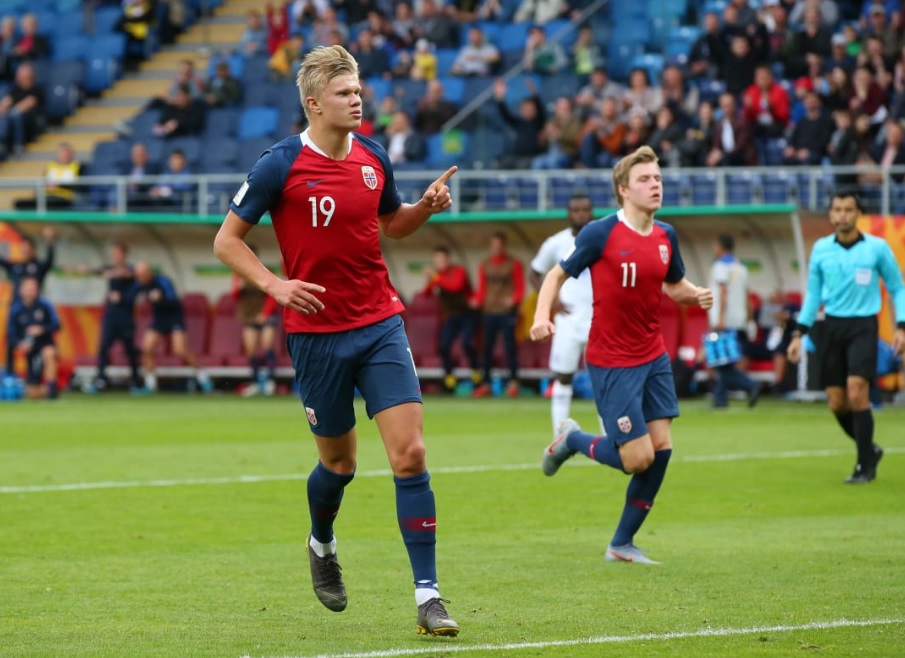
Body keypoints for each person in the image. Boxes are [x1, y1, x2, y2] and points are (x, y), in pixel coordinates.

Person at [212, 45, 460, 636]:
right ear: (314, 103)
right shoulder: (279, 165)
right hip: (317, 336)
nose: (358, 100)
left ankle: (428, 595)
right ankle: (321, 541)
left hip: (379, 322)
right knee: (341, 465)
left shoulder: (374, 156)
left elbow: (391, 224)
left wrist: (423, 208)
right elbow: (227, 241)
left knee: (412, 454)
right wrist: (275, 285)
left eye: (359, 91)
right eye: (346, 94)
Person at [530, 146, 713, 565]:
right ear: (623, 190)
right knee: (637, 458)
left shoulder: (666, 235)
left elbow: (673, 284)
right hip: (612, 360)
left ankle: (621, 544)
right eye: (646, 180)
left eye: (658, 179)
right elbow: (556, 274)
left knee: (662, 447)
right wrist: (543, 315)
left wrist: (695, 294)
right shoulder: (600, 233)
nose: (655, 186)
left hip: (654, 357)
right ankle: (572, 439)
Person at [787, 192, 905, 484]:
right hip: (832, 327)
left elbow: (897, 287)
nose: (842, 215)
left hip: (864, 326)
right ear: (830, 214)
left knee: (857, 392)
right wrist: (798, 333)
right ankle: (871, 450)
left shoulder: (876, 248)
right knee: (837, 402)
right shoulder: (821, 250)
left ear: (858, 214)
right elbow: (814, 294)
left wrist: (901, 325)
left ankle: (864, 466)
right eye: (837, 209)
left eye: (848, 209)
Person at [529, 193, 594, 434]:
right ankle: (559, 434)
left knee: (604, 378)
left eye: (585, 209)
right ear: (569, 213)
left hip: (598, 319)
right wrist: (552, 300)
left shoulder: (602, 240)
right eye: (576, 210)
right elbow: (534, 272)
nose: (580, 214)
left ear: (591, 211)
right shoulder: (556, 243)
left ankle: (610, 435)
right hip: (567, 321)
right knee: (563, 376)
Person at [65, 242, 141, 391]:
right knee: (103, 347)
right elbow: (95, 271)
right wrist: (77, 269)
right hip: (111, 315)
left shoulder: (130, 271)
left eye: (117, 254)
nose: (115, 257)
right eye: (113, 254)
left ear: (124, 255)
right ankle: (100, 379)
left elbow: (130, 275)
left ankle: (137, 381)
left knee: (130, 350)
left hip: (125, 316)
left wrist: (121, 295)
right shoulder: (109, 269)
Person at [130, 261, 212, 394]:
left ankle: (203, 377)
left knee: (180, 350)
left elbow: (173, 299)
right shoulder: (141, 284)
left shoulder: (163, 281)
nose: (140, 278)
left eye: (142, 275)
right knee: (147, 349)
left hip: (174, 317)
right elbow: (130, 294)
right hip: (159, 319)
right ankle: (151, 385)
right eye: (138, 275)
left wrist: (160, 298)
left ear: (148, 273)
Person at [706, 234, 760, 408]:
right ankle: (720, 399)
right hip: (739, 320)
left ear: (720, 247)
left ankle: (750, 385)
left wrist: (720, 318)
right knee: (724, 362)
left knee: (722, 362)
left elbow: (723, 292)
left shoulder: (720, 267)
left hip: (724, 321)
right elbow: (747, 297)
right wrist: (750, 320)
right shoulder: (741, 268)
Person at [472, 232, 524, 398]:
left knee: (510, 348)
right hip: (489, 312)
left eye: (499, 245)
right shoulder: (484, 264)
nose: (496, 248)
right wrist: (476, 301)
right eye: (493, 245)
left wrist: (514, 300)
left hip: (506, 312)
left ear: (504, 246)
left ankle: (513, 382)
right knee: (487, 349)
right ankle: (486, 383)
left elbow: (520, 287)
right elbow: (481, 289)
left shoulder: (514, 264)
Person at [422, 245, 479, 392]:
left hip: (466, 313)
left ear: (448, 258)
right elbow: (426, 293)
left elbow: (455, 286)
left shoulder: (458, 271)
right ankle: (449, 377)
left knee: (467, 343)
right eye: (437, 260)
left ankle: (476, 371)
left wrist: (435, 277)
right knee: (444, 345)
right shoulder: (438, 275)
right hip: (451, 316)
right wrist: (430, 279)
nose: (440, 262)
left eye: (442, 259)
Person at [1, 226, 55, 372]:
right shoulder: (16, 266)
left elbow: (49, 262)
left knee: (34, 344)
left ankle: (35, 378)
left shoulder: (37, 266)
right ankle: (9, 375)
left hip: (33, 311)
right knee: (11, 341)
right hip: (17, 310)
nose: (25, 251)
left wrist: (49, 241)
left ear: (33, 250)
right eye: (23, 248)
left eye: (28, 248)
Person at [230, 245, 279, 396]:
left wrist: (264, 314)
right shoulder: (239, 273)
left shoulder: (267, 271)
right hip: (249, 315)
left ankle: (271, 380)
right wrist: (239, 287)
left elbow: (273, 294)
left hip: (266, 315)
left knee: (267, 345)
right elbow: (234, 296)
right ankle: (256, 381)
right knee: (251, 349)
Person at [8, 277, 60, 399]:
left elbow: (56, 325)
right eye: (27, 288)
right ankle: (38, 389)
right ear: (21, 290)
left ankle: (52, 388)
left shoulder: (45, 305)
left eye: (33, 288)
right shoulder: (16, 309)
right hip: (29, 349)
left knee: (49, 353)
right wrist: (20, 344)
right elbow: (11, 333)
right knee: (32, 394)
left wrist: (41, 329)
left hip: (44, 344)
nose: (30, 291)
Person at [14, 142, 82, 210]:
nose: (64, 154)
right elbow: (43, 181)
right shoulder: (51, 165)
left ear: (71, 154)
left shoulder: (77, 166)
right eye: (62, 152)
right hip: (46, 196)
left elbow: (78, 185)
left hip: (64, 198)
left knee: (49, 203)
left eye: (66, 152)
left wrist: (58, 186)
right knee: (19, 203)